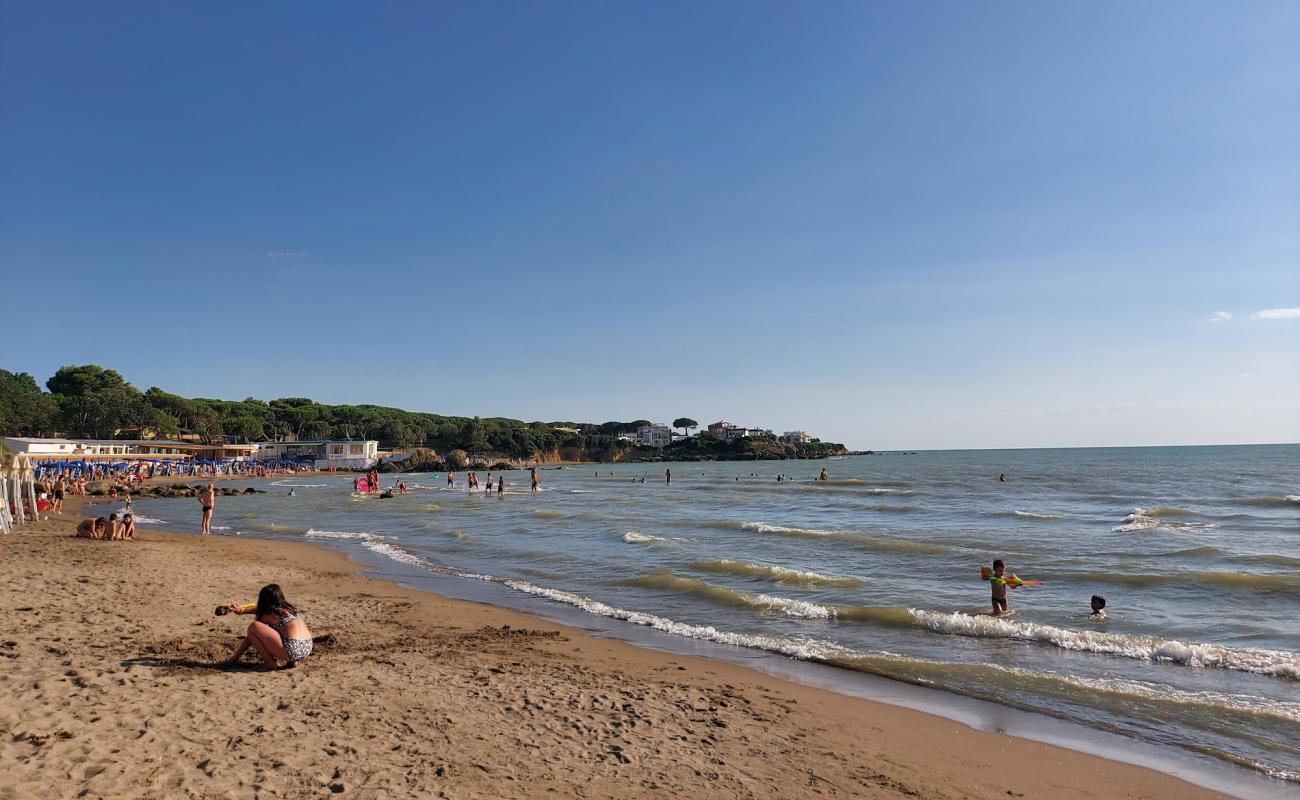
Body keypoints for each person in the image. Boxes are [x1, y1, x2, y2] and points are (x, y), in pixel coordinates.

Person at [222, 584, 314, 668]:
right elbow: (259, 609)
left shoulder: (268, 615)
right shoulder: (289, 609)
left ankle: (270, 663)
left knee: (253, 627)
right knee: (284, 632)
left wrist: (234, 658)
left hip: (292, 650)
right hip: (307, 648)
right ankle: (292, 662)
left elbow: (252, 634)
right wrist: (242, 611)